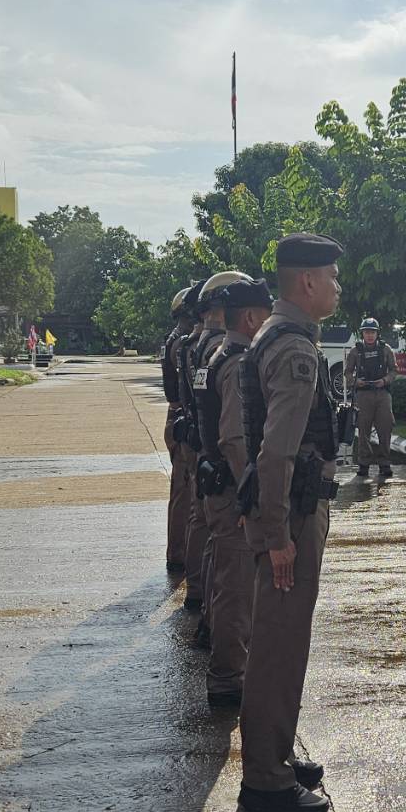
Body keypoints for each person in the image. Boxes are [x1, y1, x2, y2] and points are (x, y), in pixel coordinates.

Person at [234, 232, 343, 812]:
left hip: (286, 509)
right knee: (279, 645)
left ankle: (274, 753)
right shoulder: (294, 348)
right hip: (292, 514)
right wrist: (278, 536)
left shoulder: (276, 335)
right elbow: (276, 452)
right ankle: (266, 781)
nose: (337, 287)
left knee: (280, 640)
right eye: (332, 277)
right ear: (307, 281)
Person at [199, 277, 272, 707]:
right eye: (265, 315)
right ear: (249, 318)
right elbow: (234, 438)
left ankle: (224, 663)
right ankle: (228, 677)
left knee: (226, 581)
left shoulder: (218, 354)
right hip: (231, 491)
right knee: (238, 591)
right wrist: (252, 495)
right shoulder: (238, 363)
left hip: (218, 485)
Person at [188, 270, 253, 648]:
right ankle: (228, 666)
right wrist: (251, 492)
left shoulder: (205, 349)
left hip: (209, 460)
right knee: (236, 581)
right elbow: (233, 435)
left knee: (218, 553)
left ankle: (208, 621)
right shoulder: (230, 356)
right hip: (227, 474)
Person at [174, 280, 210, 612]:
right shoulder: (206, 346)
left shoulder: (188, 344)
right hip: (205, 439)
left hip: (191, 429)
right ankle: (200, 589)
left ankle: (196, 585)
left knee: (197, 513)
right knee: (206, 517)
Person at [162, 287, 195, 573]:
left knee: (181, 492)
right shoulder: (184, 344)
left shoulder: (173, 339)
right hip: (183, 419)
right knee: (185, 494)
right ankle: (180, 554)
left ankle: (179, 552)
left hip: (175, 417)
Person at [343, 316, 397, 477]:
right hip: (363, 394)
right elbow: (347, 372)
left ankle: (384, 463)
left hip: (382, 393)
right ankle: (364, 463)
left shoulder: (386, 349)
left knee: (385, 427)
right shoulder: (356, 351)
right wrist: (355, 381)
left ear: (377, 333)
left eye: (372, 332)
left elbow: (394, 370)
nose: (370, 335)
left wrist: (385, 380)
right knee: (363, 429)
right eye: (367, 332)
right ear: (362, 333)